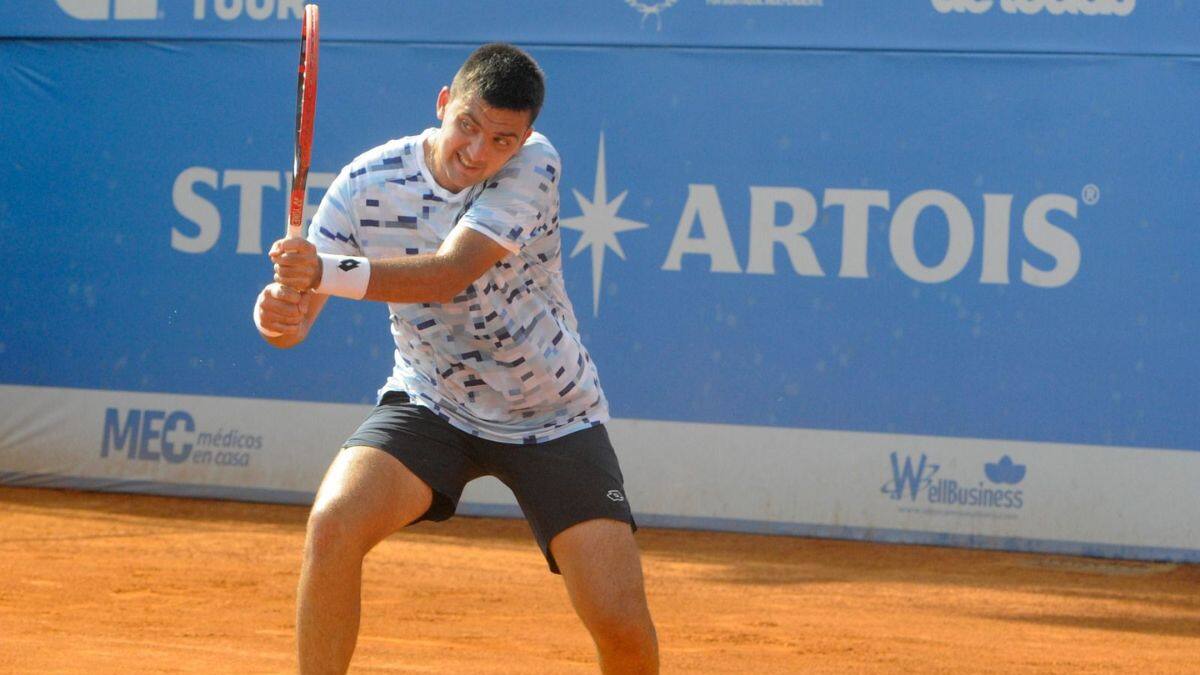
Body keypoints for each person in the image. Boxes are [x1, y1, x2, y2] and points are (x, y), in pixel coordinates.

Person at [252, 43, 659, 674]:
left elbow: (450, 273)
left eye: (501, 139)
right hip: (431, 403)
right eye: (468, 125)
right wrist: (277, 311)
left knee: (622, 627)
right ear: (443, 103)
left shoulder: (535, 165)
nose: (478, 151)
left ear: (522, 142)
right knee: (333, 524)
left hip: (552, 416)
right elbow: (294, 323)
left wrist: (323, 270)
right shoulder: (366, 182)